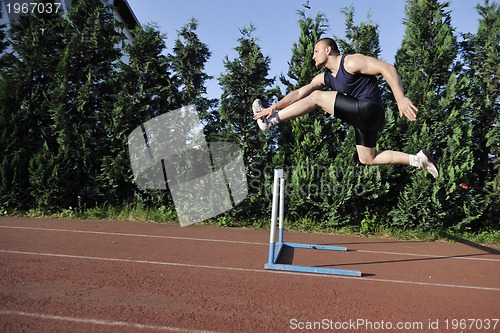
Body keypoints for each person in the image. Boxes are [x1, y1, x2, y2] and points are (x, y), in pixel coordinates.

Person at [252, 37, 439, 178]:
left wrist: (400, 98)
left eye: (316, 51)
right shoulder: (325, 77)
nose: (312, 56)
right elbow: (300, 93)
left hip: (369, 108)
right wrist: (274, 106)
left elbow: (388, 69)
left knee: (317, 97)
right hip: (367, 120)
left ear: (328, 50)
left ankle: (270, 122)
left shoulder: (350, 62)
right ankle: (418, 159)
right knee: (367, 158)